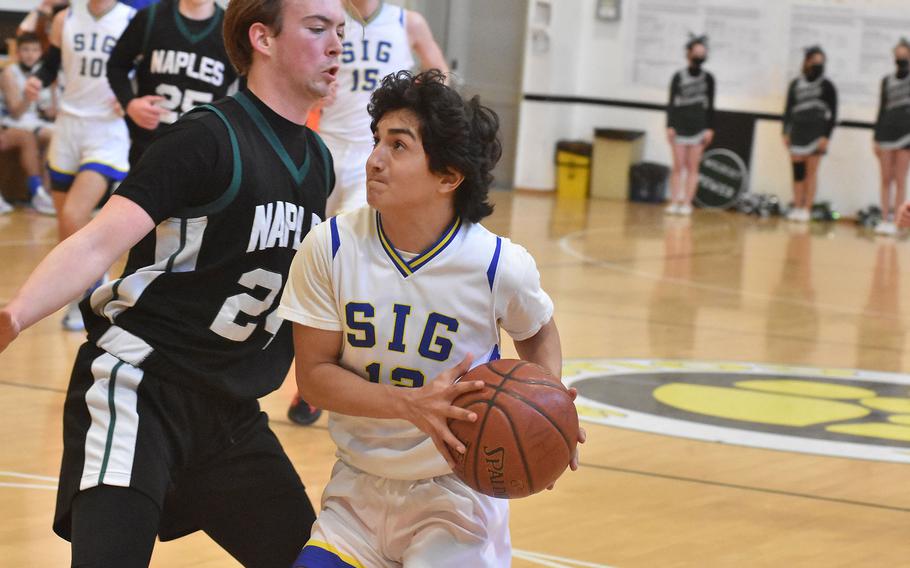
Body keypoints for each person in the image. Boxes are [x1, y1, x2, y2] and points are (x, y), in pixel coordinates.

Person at [0, 0, 346, 565]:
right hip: (140, 390)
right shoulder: (206, 138)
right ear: (262, 38)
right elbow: (95, 241)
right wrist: (15, 314)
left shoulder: (319, 161)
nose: (336, 45)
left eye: (339, 30)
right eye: (316, 28)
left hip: (230, 410)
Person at [278, 69, 585, 567]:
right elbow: (313, 379)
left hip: (457, 496)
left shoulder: (496, 264)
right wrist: (408, 404)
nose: (374, 159)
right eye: (377, 140)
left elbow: (538, 332)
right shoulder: (330, 245)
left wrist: (546, 416)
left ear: (448, 176)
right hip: (355, 492)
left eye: (398, 147)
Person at [287, 0, 448, 426]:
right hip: (323, 144)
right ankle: (303, 362)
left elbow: (440, 74)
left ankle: (328, 378)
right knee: (303, 252)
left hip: (372, 156)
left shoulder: (406, 21)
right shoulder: (326, 18)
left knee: (351, 256)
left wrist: (422, 89)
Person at [26, 0, 136, 331]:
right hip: (68, 126)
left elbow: (144, 69)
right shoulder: (65, 17)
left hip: (106, 129)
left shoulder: (131, 18)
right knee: (65, 222)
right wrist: (37, 81)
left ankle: (88, 292)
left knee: (75, 214)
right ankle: (88, 285)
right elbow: (52, 63)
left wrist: (130, 97)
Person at [107, 0, 239, 166]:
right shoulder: (151, 16)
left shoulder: (233, 30)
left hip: (202, 151)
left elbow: (245, 89)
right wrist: (130, 103)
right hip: (148, 145)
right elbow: (116, 65)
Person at [1, 32, 57, 215]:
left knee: (57, 136)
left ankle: (45, 193)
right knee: (29, 138)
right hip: (11, 122)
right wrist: (28, 96)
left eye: (34, 50)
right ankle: (37, 191)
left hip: (34, 122)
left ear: (41, 52)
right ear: (18, 52)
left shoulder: (45, 72)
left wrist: (52, 106)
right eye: (25, 50)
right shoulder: (10, 72)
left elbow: (50, 110)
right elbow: (16, 112)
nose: (30, 54)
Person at [782, 45, 837, 223]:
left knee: (811, 173)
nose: (817, 65)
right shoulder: (795, 84)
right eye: (814, 62)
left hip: (816, 134)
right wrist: (785, 131)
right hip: (797, 133)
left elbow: (833, 114)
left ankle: (807, 208)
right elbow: (788, 109)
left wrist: (826, 136)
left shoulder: (827, 86)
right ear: (806, 62)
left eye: (821, 63)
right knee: (797, 172)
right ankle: (797, 206)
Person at [665, 34, 714, 216]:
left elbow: (711, 105)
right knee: (678, 165)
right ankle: (674, 200)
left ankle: (687, 202)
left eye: (703, 52)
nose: (700, 55)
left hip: (699, 126)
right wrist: (669, 125)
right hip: (679, 125)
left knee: (693, 166)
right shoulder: (678, 76)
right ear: (688, 53)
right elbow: (671, 102)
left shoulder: (708, 78)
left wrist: (710, 128)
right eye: (697, 52)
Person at [871, 38, 910, 236]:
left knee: (900, 178)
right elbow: (881, 109)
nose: (901, 59)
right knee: (886, 178)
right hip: (886, 133)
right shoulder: (887, 81)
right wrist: (876, 138)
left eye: (905, 56)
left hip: (906, 135)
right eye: (898, 56)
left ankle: (897, 220)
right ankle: (884, 218)